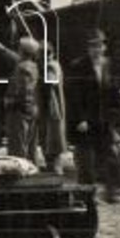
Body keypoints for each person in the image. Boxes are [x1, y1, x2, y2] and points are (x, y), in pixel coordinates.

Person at [70, 29, 120, 203]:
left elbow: (114, 89)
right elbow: (74, 95)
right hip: (86, 121)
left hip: (104, 119)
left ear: (104, 47)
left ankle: (111, 192)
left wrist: (116, 112)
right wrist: (80, 118)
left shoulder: (108, 65)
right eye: (93, 46)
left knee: (110, 156)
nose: (97, 49)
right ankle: (87, 195)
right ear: (88, 48)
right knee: (85, 160)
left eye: (100, 45)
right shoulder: (78, 66)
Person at [3, 35, 41, 161]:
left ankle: (19, 174)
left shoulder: (22, 68)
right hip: (31, 108)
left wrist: (11, 101)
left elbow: (24, 89)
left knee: (17, 146)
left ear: (23, 51)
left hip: (20, 110)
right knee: (30, 144)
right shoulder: (33, 66)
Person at [38, 41, 69, 174]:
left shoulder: (50, 66)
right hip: (55, 105)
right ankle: (54, 168)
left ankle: (56, 170)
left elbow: (50, 83)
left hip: (52, 106)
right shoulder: (55, 64)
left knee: (52, 139)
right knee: (52, 139)